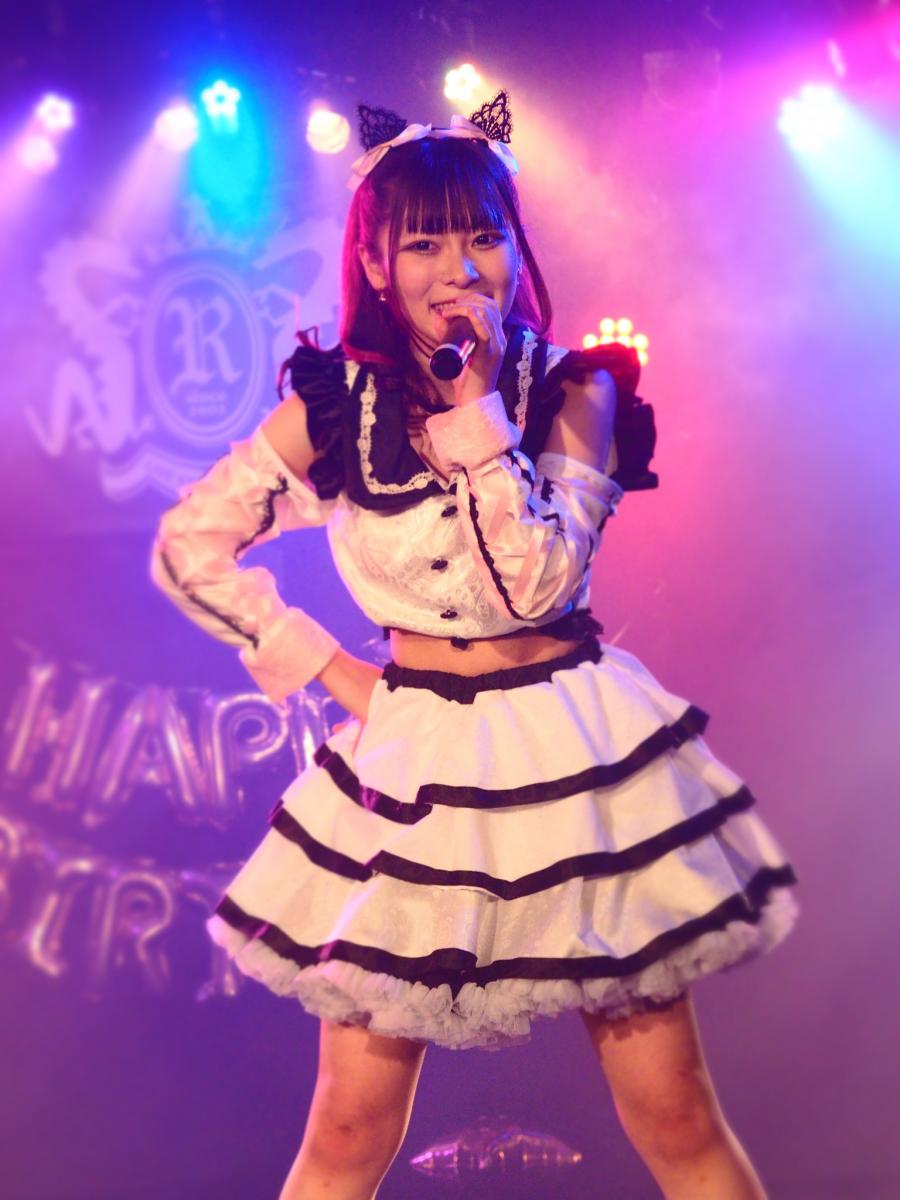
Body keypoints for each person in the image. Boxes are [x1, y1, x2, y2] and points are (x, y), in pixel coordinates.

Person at [150, 93, 798, 1200]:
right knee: (348, 1127)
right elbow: (189, 546)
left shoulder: (577, 389)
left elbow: (534, 583)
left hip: (574, 755)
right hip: (414, 765)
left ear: (514, 247)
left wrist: (476, 411)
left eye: (482, 236)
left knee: (674, 1113)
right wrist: (335, 671)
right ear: (376, 260)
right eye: (424, 244)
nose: (458, 268)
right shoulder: (339, 408)